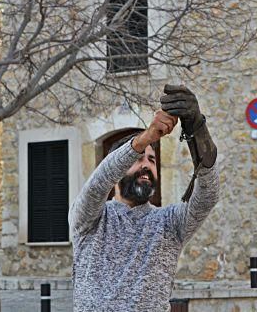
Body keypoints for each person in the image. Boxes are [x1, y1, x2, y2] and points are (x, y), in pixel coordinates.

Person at [69, 85, 219, 311]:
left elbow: (208, 196)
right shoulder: (91, 219)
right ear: (119, 165)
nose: (147, 165)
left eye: (152, 160)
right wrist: (145, 138)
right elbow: (98, 182)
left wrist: (198, 131)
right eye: (139, 158)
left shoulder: (170, 223)